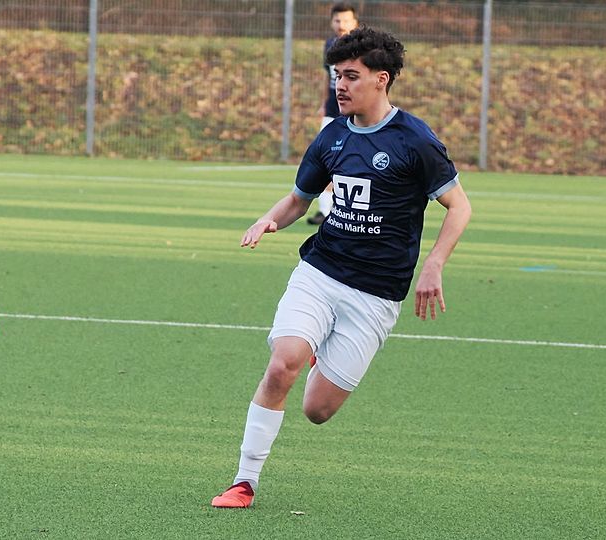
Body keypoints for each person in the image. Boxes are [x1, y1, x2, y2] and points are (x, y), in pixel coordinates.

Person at [211, 27, 473, 508]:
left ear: (381, 79)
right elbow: (299, 199)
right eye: (337, 75)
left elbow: (459, 206)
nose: (340, 85)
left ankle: (320, 355)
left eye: (351, 76)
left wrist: (434, 264)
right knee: (283, 364)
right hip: (320, 272)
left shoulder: (414, 140)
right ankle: (244, 481)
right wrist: (270, 219)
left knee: (317, 410)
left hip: (376, 294)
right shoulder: (332, 136)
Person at [306, 3, 359, 226]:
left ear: (355, 22)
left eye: (346, 20)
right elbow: (327, 77)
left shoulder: (361, 47)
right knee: (325, 160)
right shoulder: (329, 45)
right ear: (331, 22)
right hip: (331, 111)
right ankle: (325, 210)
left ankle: (348, 211)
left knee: (353, 162)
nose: (341, 24)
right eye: (337, 20)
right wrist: (323, 103)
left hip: (353, 113)